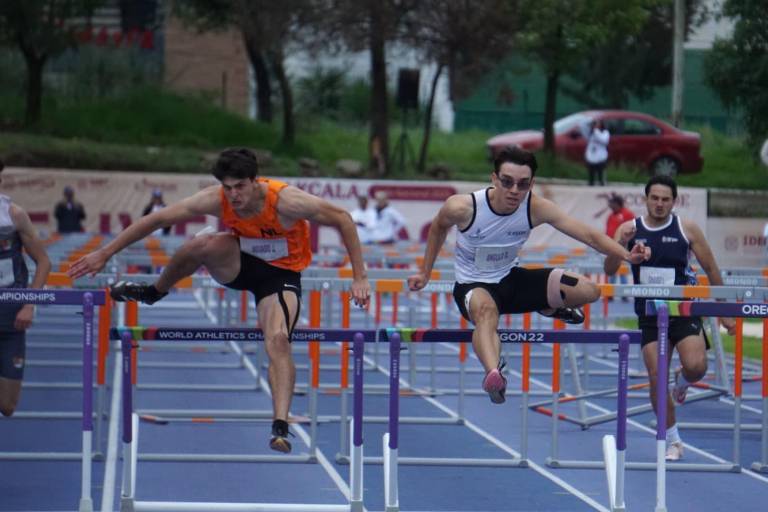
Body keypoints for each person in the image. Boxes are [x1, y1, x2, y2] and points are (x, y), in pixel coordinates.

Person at [67, 148, 371, 452]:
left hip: (281, 276)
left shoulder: (287, 201)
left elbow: (342, 219)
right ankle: (153, 292)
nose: (234, 195)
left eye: (240, 186)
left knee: (278, 338)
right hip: (240, 262)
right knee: (201, 244)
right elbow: (157, 219)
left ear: (255, 181)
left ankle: (280, 425)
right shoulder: (216, 198)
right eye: (228, 187)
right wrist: (105, 253)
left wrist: (359, 277)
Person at [407, 145, 650, 405]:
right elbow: (437, 229)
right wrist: (425, 271)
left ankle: (548, 306)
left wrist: (626, 256)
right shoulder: (463, 207)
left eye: (523, 185)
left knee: (589, 291)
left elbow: (588, 235)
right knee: (486, 313)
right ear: (494, 179)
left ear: (532, 183)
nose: (514, 191)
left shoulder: (536, 207)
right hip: (473, 286)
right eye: (507, 182)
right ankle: (493, 373)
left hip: (512, 280)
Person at [604, 175, 736, 461]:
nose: (660, 204)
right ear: (646, 199)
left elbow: (711, 269)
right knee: (655, 379)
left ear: (673, 202)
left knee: (697, 366)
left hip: (683, 310)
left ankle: (684, 381)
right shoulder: (629, 229)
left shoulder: (686, 229)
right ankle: (674, 441)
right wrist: (620, 245)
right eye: (655, 198)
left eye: (666, 199)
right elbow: (610, 269)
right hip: (650, 315)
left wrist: (725, 311)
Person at [0, 158, 52, 417]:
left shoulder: (14, 215)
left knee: (8, 406)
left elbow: (43, 261)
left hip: (12, 319)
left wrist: (30, 304)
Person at [605, 193, 635, 295]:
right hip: (611, 245)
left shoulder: (627, 214)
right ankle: (610, 292)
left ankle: (624, 293)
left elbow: (633, 230)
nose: (610, 206)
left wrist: (626, 244)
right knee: (612, 268)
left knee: (622, 269)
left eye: (612, 204)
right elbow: (608, 230)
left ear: (618, 204)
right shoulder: (611, 215)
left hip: (624, 246)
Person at [585, 120, 610, 186]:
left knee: (600, 171)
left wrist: (596, 132)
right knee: (591, 170)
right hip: (592, 154)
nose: (596, 125)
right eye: (595, 124)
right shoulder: (592, 132)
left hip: (601, 155)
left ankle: (602, 182)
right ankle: (591, 182)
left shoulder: (605, 132)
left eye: (598, 124)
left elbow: (604, 141)